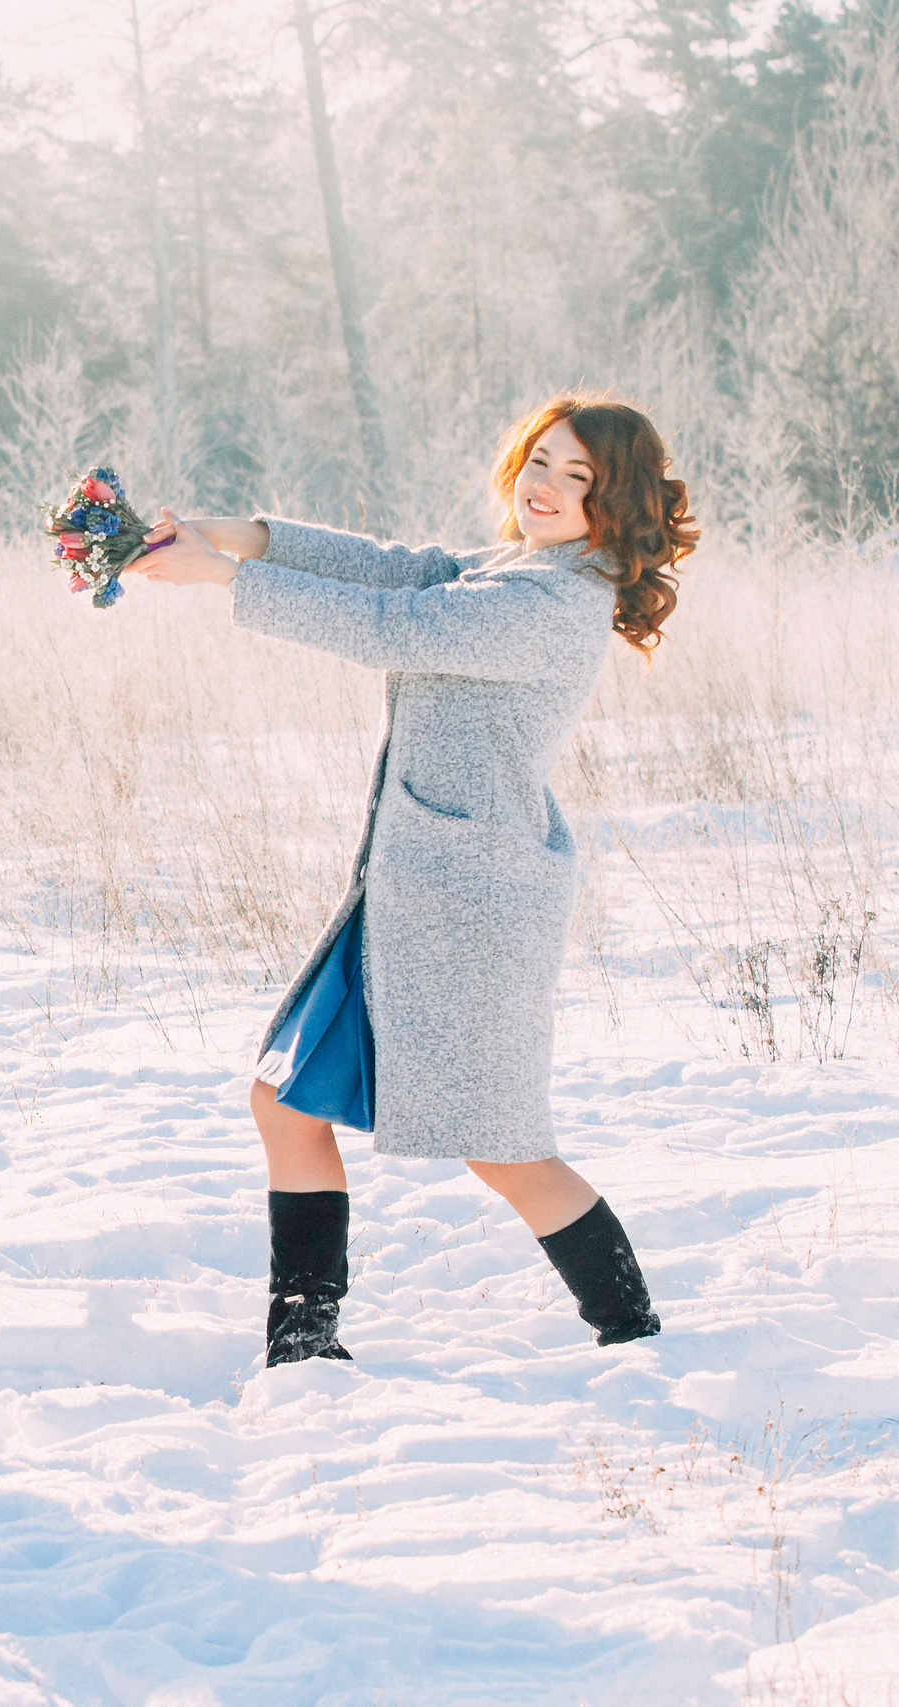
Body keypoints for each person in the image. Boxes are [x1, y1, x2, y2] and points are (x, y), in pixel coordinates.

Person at [128, 397, 692, 1365]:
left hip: (471, 905)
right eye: (541, 461)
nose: (545, 487)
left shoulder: (550, 604)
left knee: (504, 1147)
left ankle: (634, 1338)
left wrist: (221, 577)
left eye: (578, 478)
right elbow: (394, 568)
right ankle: (304, 1348)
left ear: (617, 503)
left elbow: (392, 622)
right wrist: (240, 534)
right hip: (409, 895)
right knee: (286, 1104)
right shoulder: (507, 570)